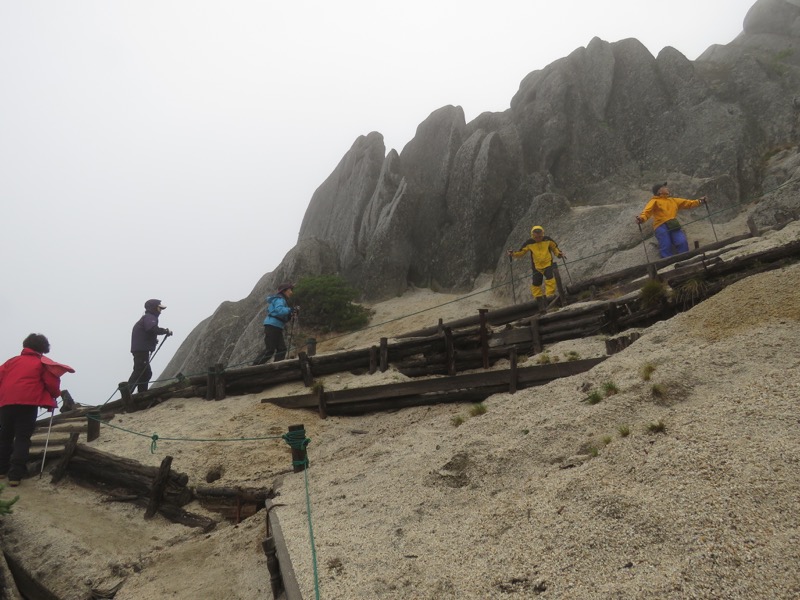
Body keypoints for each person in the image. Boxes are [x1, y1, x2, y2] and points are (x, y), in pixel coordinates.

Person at [0, 334, 72, 486]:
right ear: (43, 348)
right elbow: (51, 383)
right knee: (22, 437)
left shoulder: (11, 361)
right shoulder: (41, 363)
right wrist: (54, 396)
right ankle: (15, 475)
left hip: (6, 403)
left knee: (5, 436)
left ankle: (1, 470)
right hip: (28, 404)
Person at [636, 182, 707, 258]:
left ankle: (684, 259)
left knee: (682, 242)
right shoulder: (654, 201)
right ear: (659, 191)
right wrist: (641, 219)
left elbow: (688, 203)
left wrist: (700, 201)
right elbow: (647, 212)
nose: (667, 188)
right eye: (664, 187)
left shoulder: (673, 200)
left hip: (673, 224)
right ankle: (668, 263)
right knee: (666, 245)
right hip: (660, 226)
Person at [507, 225, 566, 304]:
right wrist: (513, 254)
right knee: (536, 284)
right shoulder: (529, 243)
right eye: (536, 237)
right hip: (536, 267)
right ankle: (538, 300)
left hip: (548, 264)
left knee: (550, 280)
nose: (538, 238)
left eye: (540, 236)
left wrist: (559, 254)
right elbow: (521, 252)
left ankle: (550, 297)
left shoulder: (548, 240)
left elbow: (555, 248)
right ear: (532, 235)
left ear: (543, 234)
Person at [128, 299, 172, 393]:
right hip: (141, 350)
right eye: (159, 308)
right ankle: (128, 393)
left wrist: (153, 340)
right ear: (154, 308)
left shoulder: (147, 317)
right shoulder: (150, 317)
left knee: (144, 373)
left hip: (140, 349)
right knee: (140, 371)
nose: (161, 310)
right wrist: (165, 331)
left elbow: (146, 332)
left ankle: (141, 393)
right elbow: (152, 329)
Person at [254, 283, 298, 365]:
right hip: (273, 326)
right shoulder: (279, 299)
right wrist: (290, 310)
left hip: (275, 326)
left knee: (281, 349)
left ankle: (276, 367)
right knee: (270, 350)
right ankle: (253, 368)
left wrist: (290, 314)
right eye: (290, 290)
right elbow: (279, 310)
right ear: (284, 291)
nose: (291, 292)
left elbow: (280, 313)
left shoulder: (281, 300)